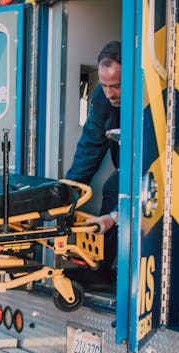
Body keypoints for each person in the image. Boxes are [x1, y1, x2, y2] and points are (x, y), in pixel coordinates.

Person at [65, 40, 121, 290]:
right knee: (113, 186)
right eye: (105, 85)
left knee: (114, 187)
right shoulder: (102, 97)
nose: (110, 93)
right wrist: (67, 193)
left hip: (152, 170)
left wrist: (116, 216)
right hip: (125, 168)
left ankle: (103, 272)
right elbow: (89, 146)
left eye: (117, 86)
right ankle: (100, 270)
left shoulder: (149, 95)